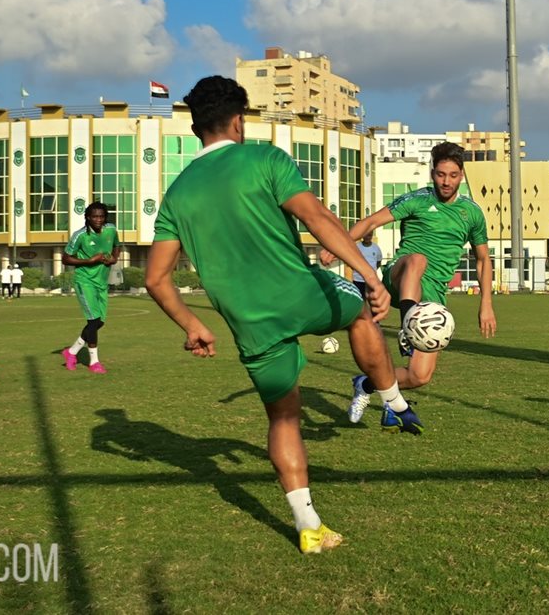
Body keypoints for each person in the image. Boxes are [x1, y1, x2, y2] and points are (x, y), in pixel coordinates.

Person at [146, 75, 418, 554]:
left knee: (284, 420)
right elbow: (317, 219)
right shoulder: (265, 159)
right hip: (302, 294)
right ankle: (393, 402)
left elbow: (155, 279)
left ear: (195, 129)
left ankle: (308, 527)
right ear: (238, 121)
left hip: (251, 322)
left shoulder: (178, 194)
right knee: (360, 315)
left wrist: (193, 325)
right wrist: (369, 277)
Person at [326, 141, 496, 423]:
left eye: (453, 175)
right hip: (401, 275)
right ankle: (407, 326)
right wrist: (337, 245)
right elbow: (371, 222)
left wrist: (486, 304)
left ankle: (365, 385)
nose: (446, 181)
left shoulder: (472, 213)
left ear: (461, 175)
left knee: (419, 376)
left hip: (432, 298)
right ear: (432, 173)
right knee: (418, 259)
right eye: (441, 174)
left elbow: (483, 260)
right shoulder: (417, 200)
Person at [62, 202, 120, 374]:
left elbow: (117, 246)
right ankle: (94, 362)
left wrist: (114, 259)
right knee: (93, 321)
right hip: (85, 281)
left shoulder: (111, 229)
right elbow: (66, 258)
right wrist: (89, 261)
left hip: (101, 282)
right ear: (88, 217)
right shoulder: (80, 235)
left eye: (101, 216)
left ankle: (72, 352)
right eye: (94, 216)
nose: (98, 220)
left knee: (100, 322)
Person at [353, 235, 382, 301]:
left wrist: (370, 272)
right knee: (359, 301)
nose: (368, 237)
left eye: (369, 235)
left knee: (371, 300)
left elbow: (378, 262)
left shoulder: (376, 248)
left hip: (371, 280)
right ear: (363, 235)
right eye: (366, 235)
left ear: (372, 235)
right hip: (358, 280)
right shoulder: (357, 247)